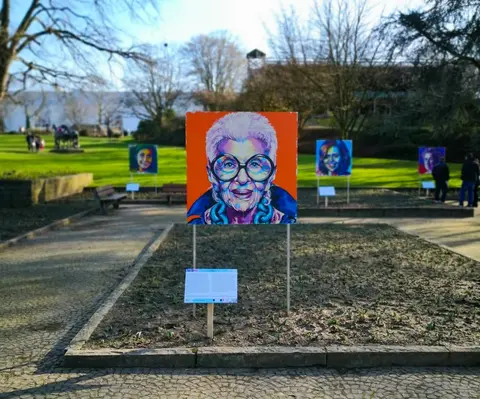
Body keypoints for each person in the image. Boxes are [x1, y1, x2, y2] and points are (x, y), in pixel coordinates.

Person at [187, 112, 296, 224]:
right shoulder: (196, 225)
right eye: (229, 164)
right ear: (211, 174)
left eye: (255, 164)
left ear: (272, 174)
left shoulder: (289, 225)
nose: (242, 179)